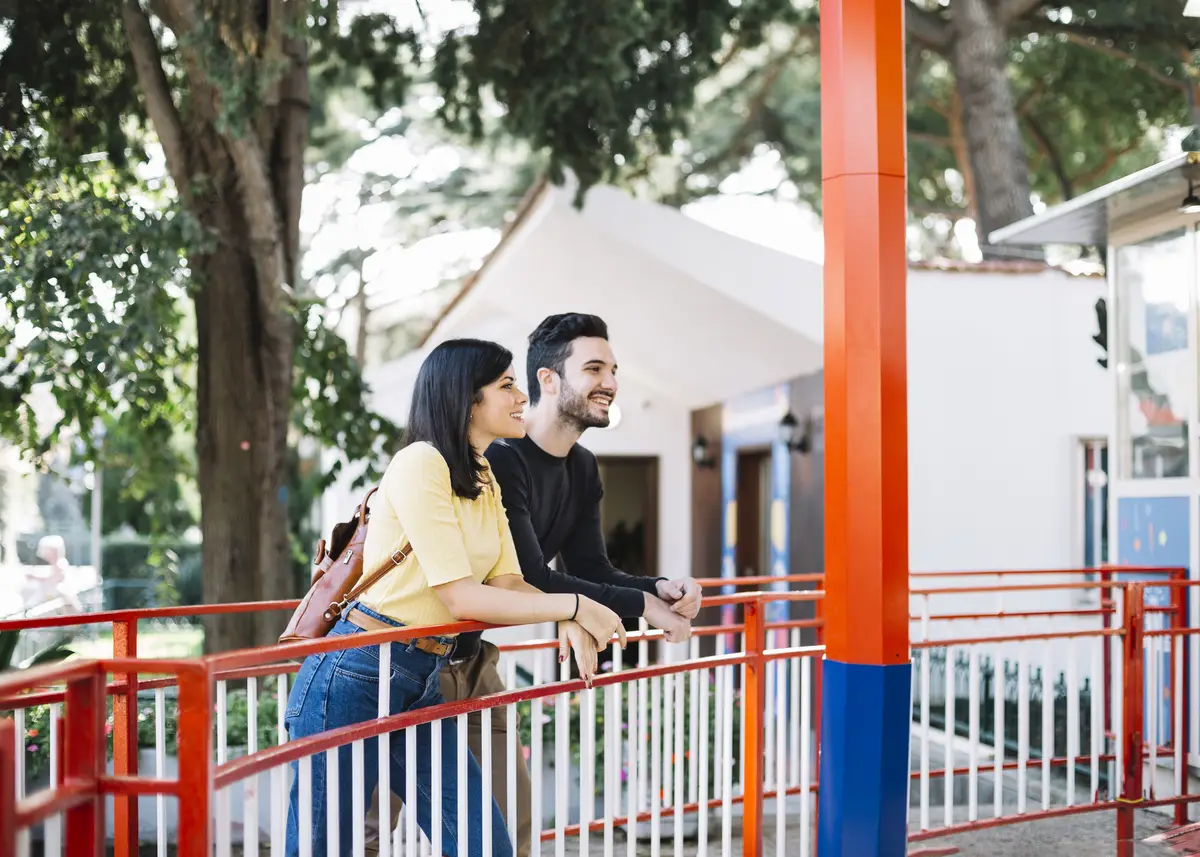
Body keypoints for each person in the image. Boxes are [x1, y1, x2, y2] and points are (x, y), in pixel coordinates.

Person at [365, 314, 703, 857]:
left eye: (613, 369)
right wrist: (626, 606)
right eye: (593, 368)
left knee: (511, 825)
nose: (610, 382)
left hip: (475, 660)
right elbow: (533, 577)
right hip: (407, 661)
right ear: (549, 379)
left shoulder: (583, 467)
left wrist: (659, 589)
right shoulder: (495, 458)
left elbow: (590, 571)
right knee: (364, 825)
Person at [284, 338, 626, 857]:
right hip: (355, 669)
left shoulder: (484, 473)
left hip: (419, 672)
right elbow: (462, 597)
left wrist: (566, 616)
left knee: (483, 842)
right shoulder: (421, 462)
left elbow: (508, 583)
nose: (521, 396)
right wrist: (574, 607)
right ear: (467, 398)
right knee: (324, 846)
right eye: (507, 384)